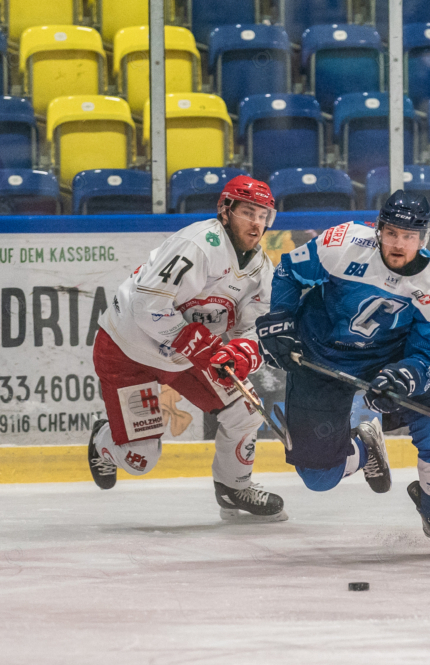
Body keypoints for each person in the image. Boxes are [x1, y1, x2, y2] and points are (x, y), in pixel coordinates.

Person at [255, 191, 430, 555]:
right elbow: (288, 271)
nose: (398, 244)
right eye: (392, 233)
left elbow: (428, 357)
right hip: (319, 353)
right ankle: (365, 446)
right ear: (378, 229)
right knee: (318, 478)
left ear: (424, 238)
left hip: (389, 359)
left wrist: (404, 376)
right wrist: (280, 319)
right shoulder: (342, 242)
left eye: (409, 237)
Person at [87, 176, 285, 521]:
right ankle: (103, 441)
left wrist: (243, 352)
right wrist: (194, 341)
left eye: (263, 216)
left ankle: (233, 487)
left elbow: (258, 327)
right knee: (140, 460)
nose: (256, 223)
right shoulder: (199, 243)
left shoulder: (260, 269)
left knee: (246, 412)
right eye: (248, 212)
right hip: (127, 347)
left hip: (186, 355)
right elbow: (147, 303)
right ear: (225, 210)